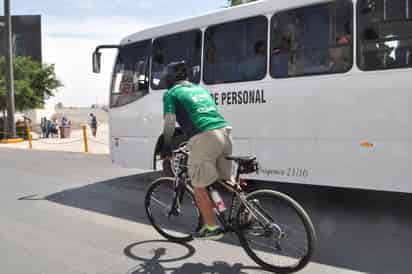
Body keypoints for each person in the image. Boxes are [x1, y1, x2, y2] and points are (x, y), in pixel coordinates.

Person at [162, 61, 232, 240]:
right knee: (226, 180)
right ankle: (246, 211)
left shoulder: (172, 93)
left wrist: (166, 146)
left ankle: (211, 227)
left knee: (198, 185)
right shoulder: (200, 89)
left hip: (204, 137)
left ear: (170, 78)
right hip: (225, 133)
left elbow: (170, 123)